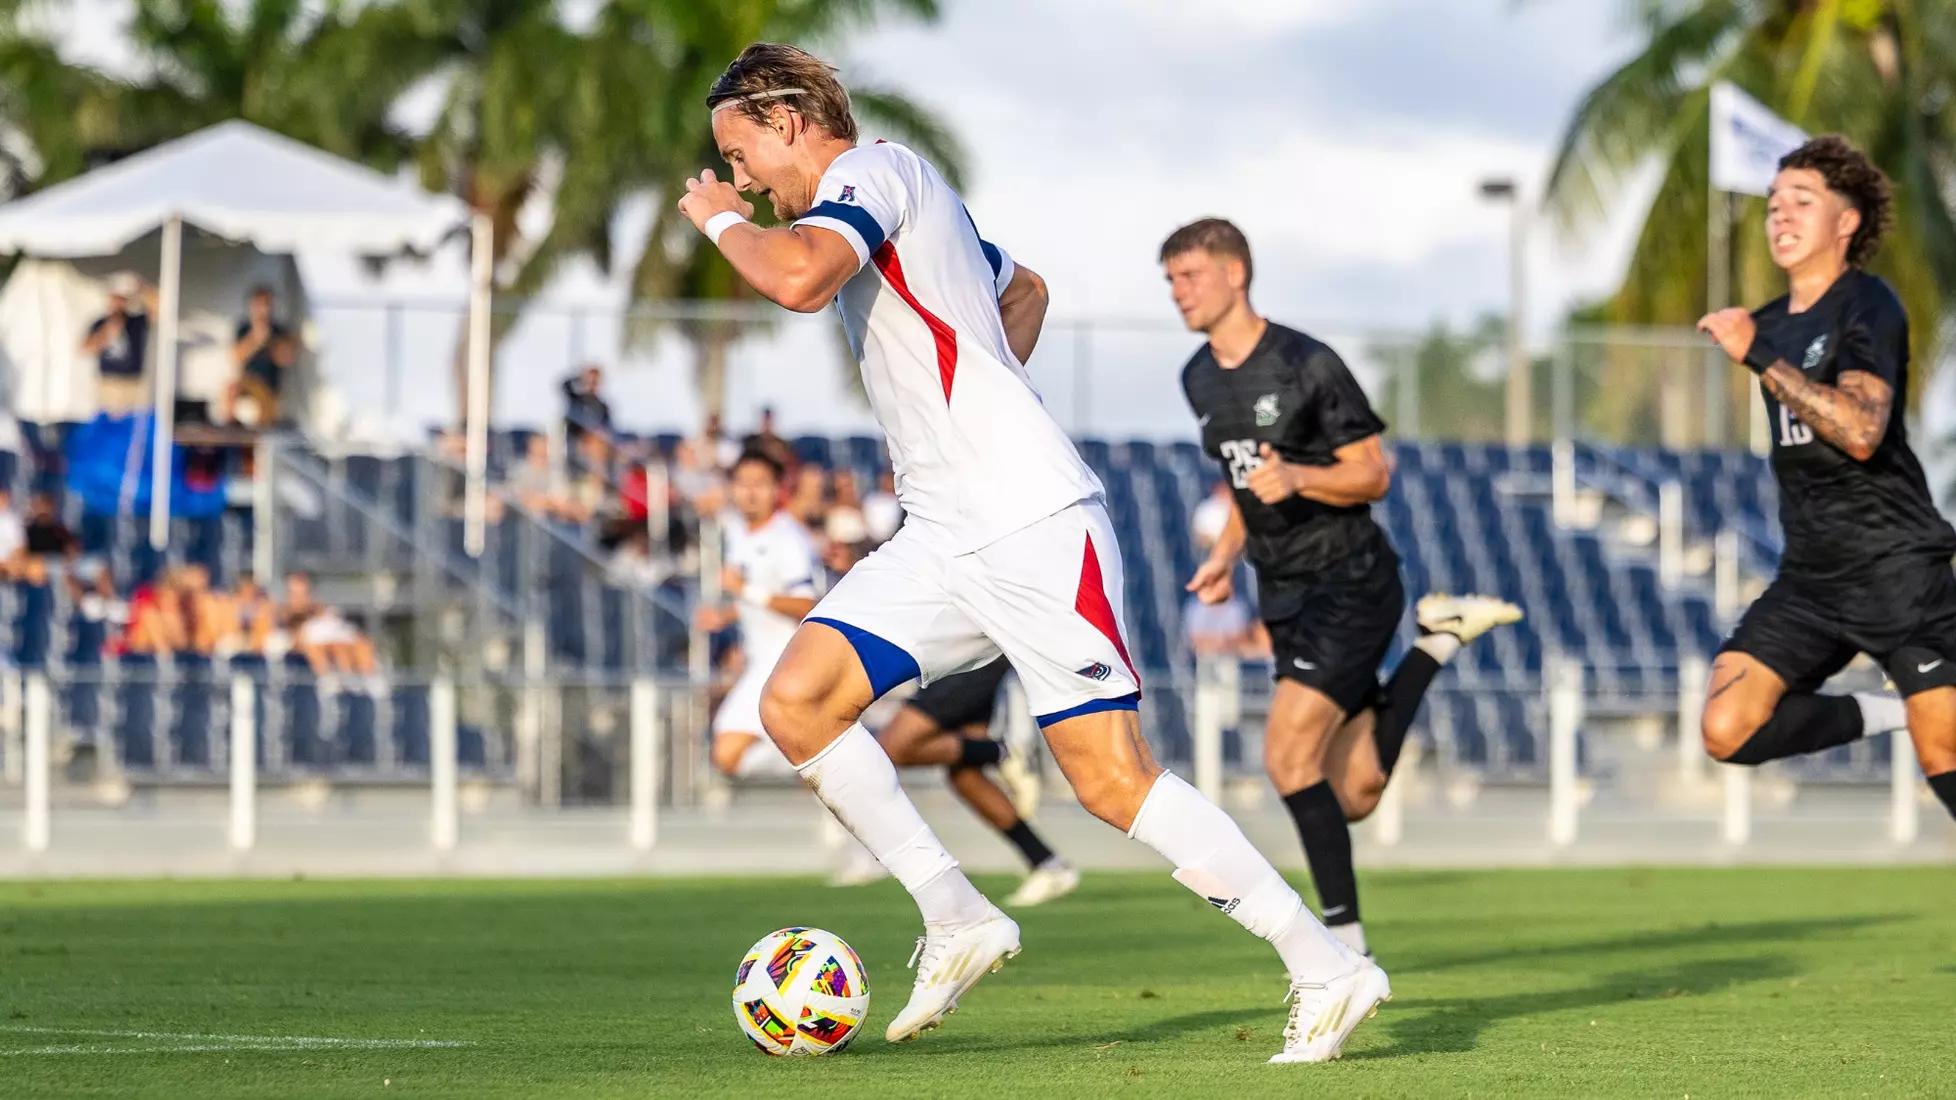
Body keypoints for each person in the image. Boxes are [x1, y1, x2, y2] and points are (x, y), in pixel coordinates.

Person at [680, 42, 1380, 1061]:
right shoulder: (907, 199)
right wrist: (973, 395)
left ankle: (1328, 964)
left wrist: (716, 217)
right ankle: (956, 910)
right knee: (797, 699)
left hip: (1032, 520)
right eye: (730, 170)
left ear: (786, 122)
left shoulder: (871, 174)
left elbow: (796, 279)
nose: (744, 179)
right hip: (945, 529)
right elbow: (1028, 288)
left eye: (740, 154)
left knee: (1111, 780)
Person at [1166, 217, 1523, 960]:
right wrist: (1228, 554)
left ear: (1236, 274)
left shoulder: (1306, 363)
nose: (1178, 292)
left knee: (1287, 759)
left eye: (1190, 276)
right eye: (1170, 280)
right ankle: (1438, 641)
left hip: (1351, 580)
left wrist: (1299, 474)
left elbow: (1374, 474)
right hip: (1283, 591)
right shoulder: (1198, 377)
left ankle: (1343, 949)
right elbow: (1243, 487)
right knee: (1353, 793)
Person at [1693, 135, 1956, 819]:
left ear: (1846, 222)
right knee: (1726, 729)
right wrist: (1758, 344)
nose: (1780, 215)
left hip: (1899, 572)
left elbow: (1863, 432)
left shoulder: (1869, 305)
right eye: (1773, 204)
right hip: (1811, 579)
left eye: (1801, 202)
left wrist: (1757, 357)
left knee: (1945, 756)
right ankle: (1886, 713)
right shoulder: (1769, 322)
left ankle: (1921, 716)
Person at [832, 658, 1081, 907]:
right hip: (964, 655)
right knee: (965, 776)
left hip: (965, 655)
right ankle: (1048, 865)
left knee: (894, 746)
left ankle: (1002, 754)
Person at [700, 450, 825, 783]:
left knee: (727, 752)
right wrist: (725, 616)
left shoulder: (789, 539)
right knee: (728, 753)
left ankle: (824, 756)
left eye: (759, 484)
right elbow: (755, 597)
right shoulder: (741, 533)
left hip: (787, 664)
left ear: (777, 490)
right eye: (742, 483)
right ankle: (820, 758)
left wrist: (745, 590)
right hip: (760, 663)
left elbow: (809, 605)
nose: (750, 492)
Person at [80, 274, 158, 415]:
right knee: (108, 424)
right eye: (115, 299)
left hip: (134, 382)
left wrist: (141, 287)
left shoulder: (136, 321)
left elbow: (157, 310)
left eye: (121, 299)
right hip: (109, 383)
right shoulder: (100, 323)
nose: (118, 303)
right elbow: (85, 349)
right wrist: (107, 333)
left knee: (136, 425)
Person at [226, 286, 293, 425]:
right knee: (230, 389)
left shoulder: (278, 331)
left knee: (266, 416)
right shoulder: (244, 329)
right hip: (248, 381)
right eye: (258, 305)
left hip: (268, 386)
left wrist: (273, 344)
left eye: (265, 304)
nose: (262, 309)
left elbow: (285, 360)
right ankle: (230, 426)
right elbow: (236, 356)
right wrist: (254, 340)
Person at [561, 365, 612, 452]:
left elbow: (607, 428)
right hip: (575, 447)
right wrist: (580, 376)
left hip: (593, 449)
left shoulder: (603, 407)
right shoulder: (576, 399)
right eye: (589, 380)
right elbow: (564, 385)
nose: (592, 384)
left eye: (595, 381)